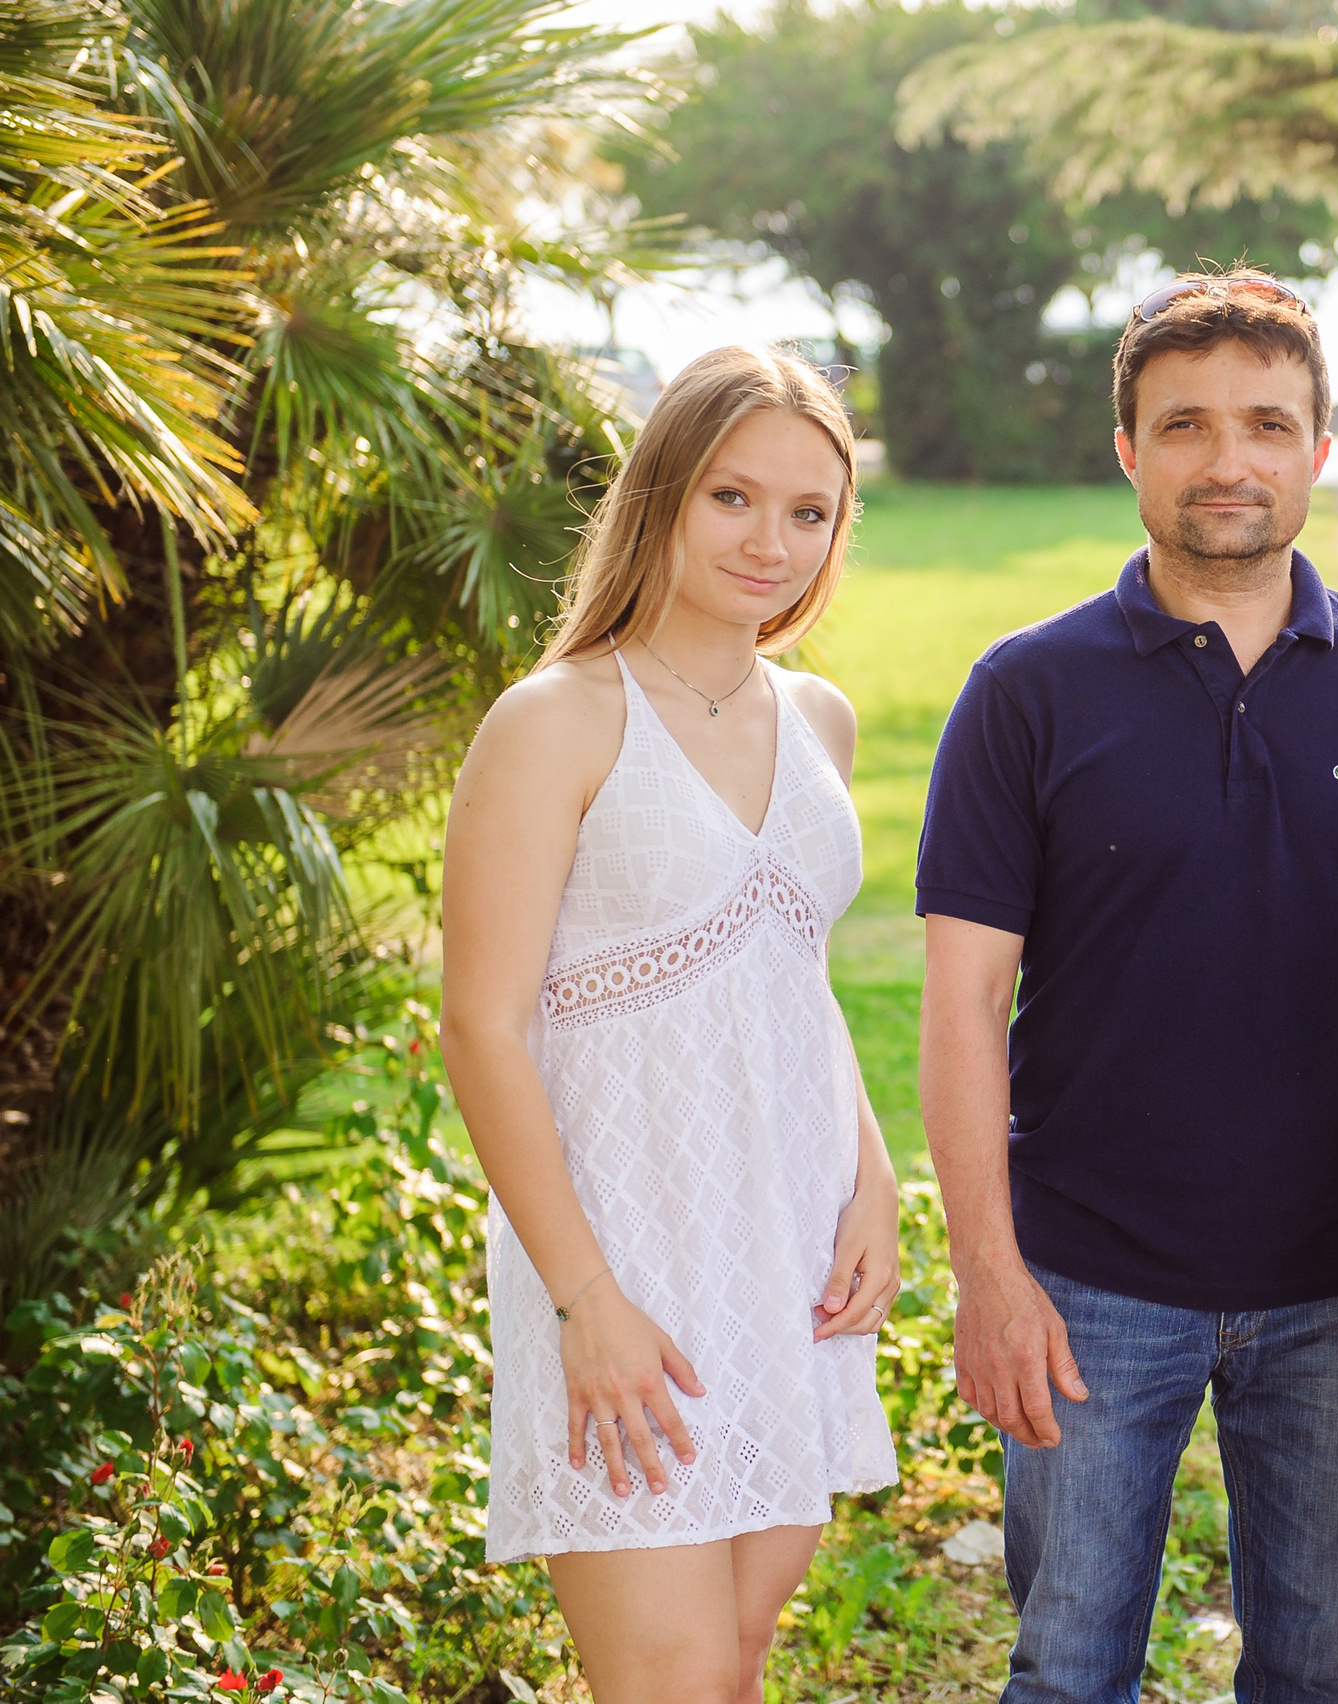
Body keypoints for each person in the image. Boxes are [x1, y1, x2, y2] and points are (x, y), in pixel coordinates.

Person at [914, 268, 1338, 1704]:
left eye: (1263, 423)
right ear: (1128, 451)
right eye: (1183, 426)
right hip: (1089, 1278)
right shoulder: (1026, 689)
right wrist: (990, 1276)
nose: (1226, 460)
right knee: (1068, 1669)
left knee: (1317, 1670)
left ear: (1317, 448)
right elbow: (960, 1009)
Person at [441, 347, 900, 1704]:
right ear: (660, 497)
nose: (773, 542)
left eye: (810, 512)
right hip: (621, 1257)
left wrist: (871, 1171)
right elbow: (480, 1031)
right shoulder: (555, 721)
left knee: (737, 1657)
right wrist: (587, 1300)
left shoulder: (817, 715)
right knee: (675, 1676)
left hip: (787, 1251)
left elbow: (793, 973)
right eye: (733, 498)